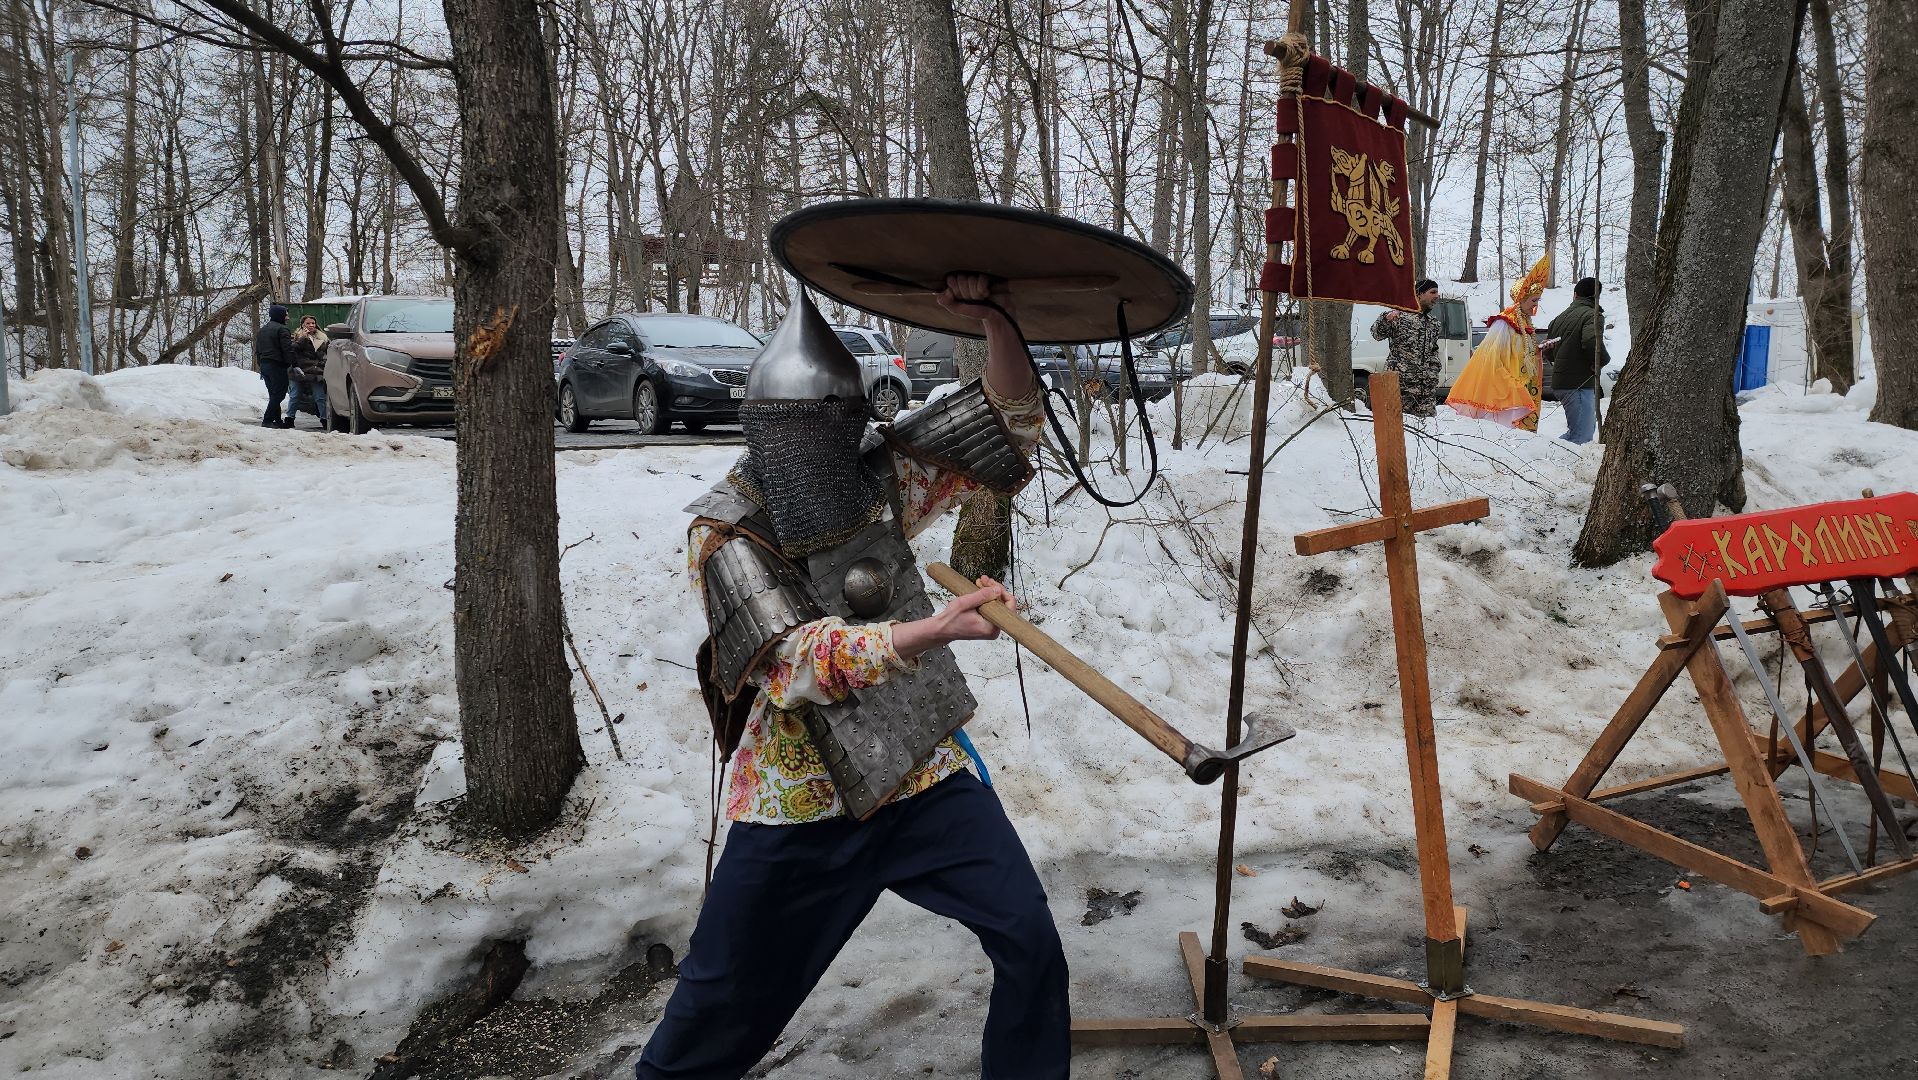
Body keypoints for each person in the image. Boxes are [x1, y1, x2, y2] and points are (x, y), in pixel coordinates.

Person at [638, 276, 1066, 1079]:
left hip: (919, 772)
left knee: (1029, 940)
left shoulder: (867, 478)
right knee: (718, 1003)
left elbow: (1002, 425)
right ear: (770, 430)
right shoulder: (726, 527)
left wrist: (997, 325)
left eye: (842, 428)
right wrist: (930, 629)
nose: (832, 448)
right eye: (813, 432)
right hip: (797, 798)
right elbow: (794, 661)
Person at [1446, 255, 1550, 430]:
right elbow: (1491, 358)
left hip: (1523, 385)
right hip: (1507, 389)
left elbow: (1521, 353)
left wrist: (1538, 350)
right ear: (1522, 299)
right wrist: (1510, 384)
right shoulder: (1504, 323)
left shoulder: (1524, 323)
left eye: (1538, 301)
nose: (1535, 306)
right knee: (1505, 432)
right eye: (1533, 301)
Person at [1545, 277, 1607, 444]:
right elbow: (1590, 341)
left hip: (1561, 382)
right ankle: (1547, 460)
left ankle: (1546, 452)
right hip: (1578, 384)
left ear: (1575, 295)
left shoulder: (1558, 318)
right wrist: (1600, 361)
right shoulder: (1592, 316)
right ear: (1597, 297)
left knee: (1581, 432)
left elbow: (1549, 353)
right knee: (1582, 437)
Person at [1371, 277, 1443, 417]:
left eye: (1437, 293)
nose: (1437, 296)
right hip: (1400, 389)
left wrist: (1432, 373)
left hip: (1425, 393)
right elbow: (1376, 334)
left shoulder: (1433, 324)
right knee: (1396, 430)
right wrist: (1386, 319)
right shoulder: (1399, 317)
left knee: (1425, 432)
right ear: (1419, 294)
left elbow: (1433, 352)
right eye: (1433, 292)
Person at [286, 315, 331, 430]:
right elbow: (293, 349)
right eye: (308, 323)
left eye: (313, 323)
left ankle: (325, 420)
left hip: (315, 371)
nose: (311, 325)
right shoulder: (296, 337)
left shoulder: (323, 338)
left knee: (320, 397)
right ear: (302, 325)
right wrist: (303, 338)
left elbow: (329, 352)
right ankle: (289, 419)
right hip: (299, 370)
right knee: (295, 395)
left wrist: (323, 364)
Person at [253, 303, 294, 428]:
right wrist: (293, 364)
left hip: (265, 365)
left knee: (273, 394)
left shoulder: (262, 330)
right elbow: (287, 349)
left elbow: (258, 350)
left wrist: (261, 365)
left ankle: (277, 420)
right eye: (286, 315)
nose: (287, 318)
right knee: (280, 393)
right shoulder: (282, 329)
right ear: (280, 315)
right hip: (277, 365)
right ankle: (267, 420)